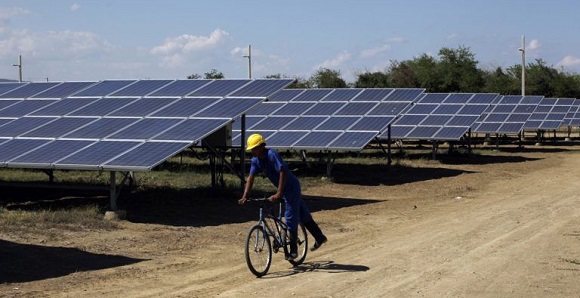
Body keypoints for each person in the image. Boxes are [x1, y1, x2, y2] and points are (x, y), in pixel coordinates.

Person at [238, 133, 327, 259]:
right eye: (251, 149)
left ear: (261, 146)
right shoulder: (256, 161)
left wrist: (279, 193)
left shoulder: (272, 154)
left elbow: (282, 172)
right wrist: (245, 196)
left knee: (289, 217)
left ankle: (293, 250)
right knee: (302, 213)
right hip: (284, 189)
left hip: (291, 187)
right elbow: (251, 178)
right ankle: (319, 236)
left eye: (254, 148)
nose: (252, 151)